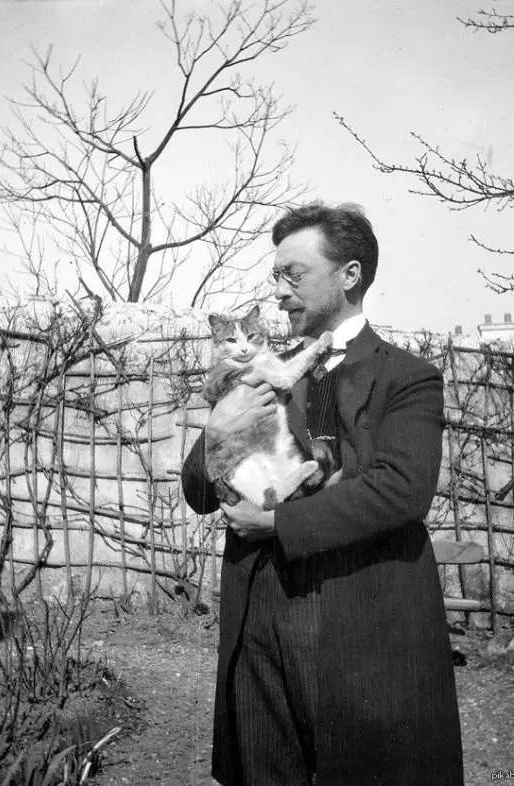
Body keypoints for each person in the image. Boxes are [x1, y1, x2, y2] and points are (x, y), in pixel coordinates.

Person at [182, 202, 463, 786]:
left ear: (349, 275)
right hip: (260, 621)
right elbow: (200, 493)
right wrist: (213, 432)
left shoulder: (407, 377)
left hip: (362, 627)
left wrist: (278, 525)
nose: (278, 291)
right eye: (275, 275)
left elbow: (402, 489)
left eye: (294, 274)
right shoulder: (259, 369)